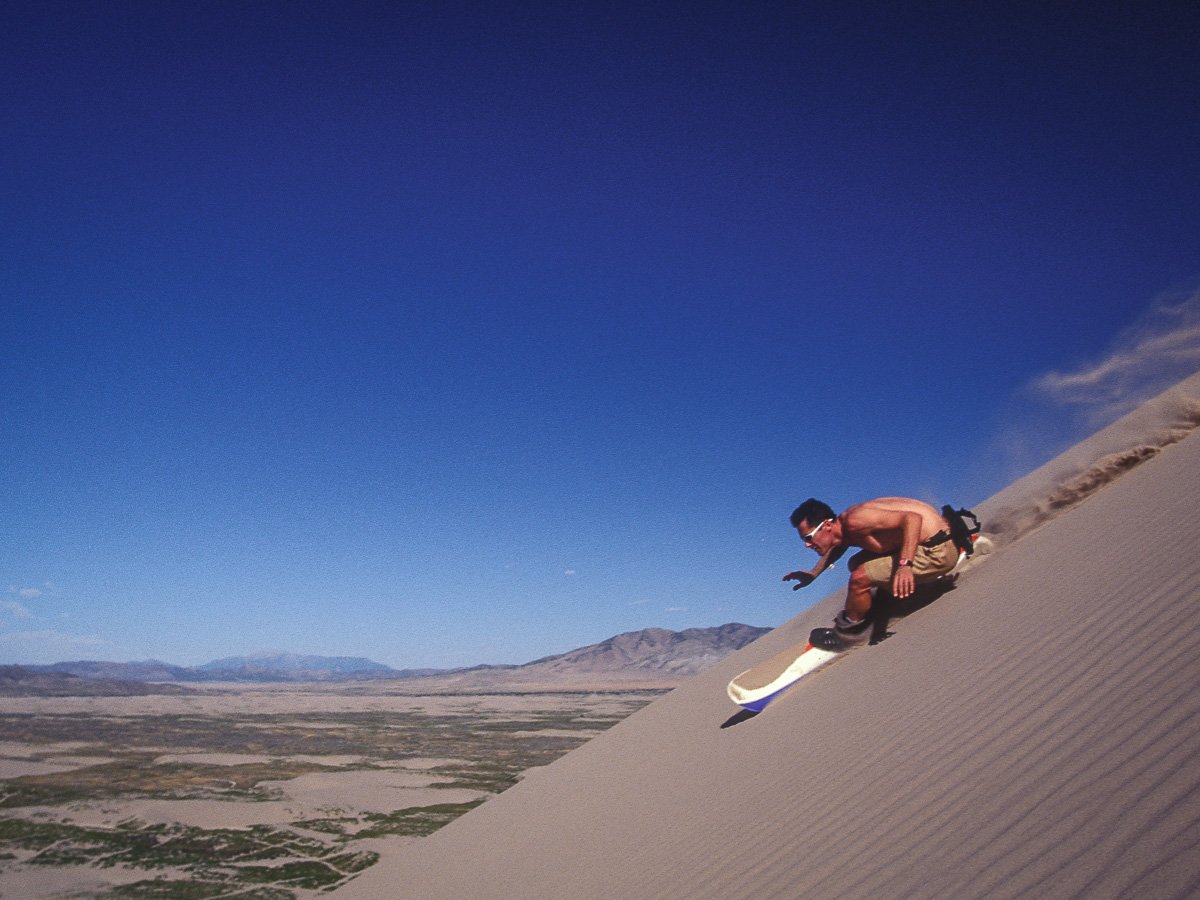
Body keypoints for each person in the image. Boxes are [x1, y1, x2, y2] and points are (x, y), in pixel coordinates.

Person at [783, 497, 963, 650]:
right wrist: (813, 573)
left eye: (808, 537)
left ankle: (849, 634)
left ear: (827, 525)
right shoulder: (845, 526)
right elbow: (839, 545)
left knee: (859, 577)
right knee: (856, 563)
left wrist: (905, 564)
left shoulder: (855, 521)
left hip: (939, 552)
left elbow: (912, 519)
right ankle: (888, 602)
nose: (806, 544)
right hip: (942, 539)